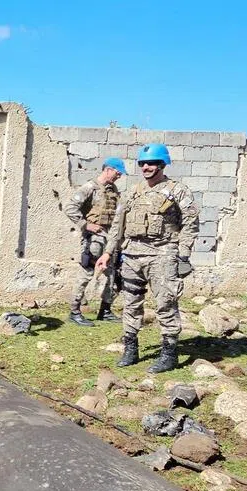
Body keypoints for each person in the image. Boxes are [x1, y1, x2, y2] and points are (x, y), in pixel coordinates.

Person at [95, 143, 199, 372]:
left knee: (165, 303)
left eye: (152, 163)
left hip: (163, 254)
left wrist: (183, 254)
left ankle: (169, 354)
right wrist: (108, 252)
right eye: (143, 163)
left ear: (163, 164)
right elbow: (117, 226)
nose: (146, 167)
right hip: (132, 254)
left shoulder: (177, 190)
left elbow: (191, 223)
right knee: (131, 303)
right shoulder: (133, 191)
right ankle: (131, 349)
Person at [64, 157, 127, 326]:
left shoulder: (113, 191)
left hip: (110, 238)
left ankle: (105, 310)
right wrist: (85, 225)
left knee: (112, 274)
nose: (118, 177)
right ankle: (74, 311)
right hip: (94, 239)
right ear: (108, 169)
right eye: (117, 173)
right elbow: (70, 207)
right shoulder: (90, 187)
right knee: (86, 273)